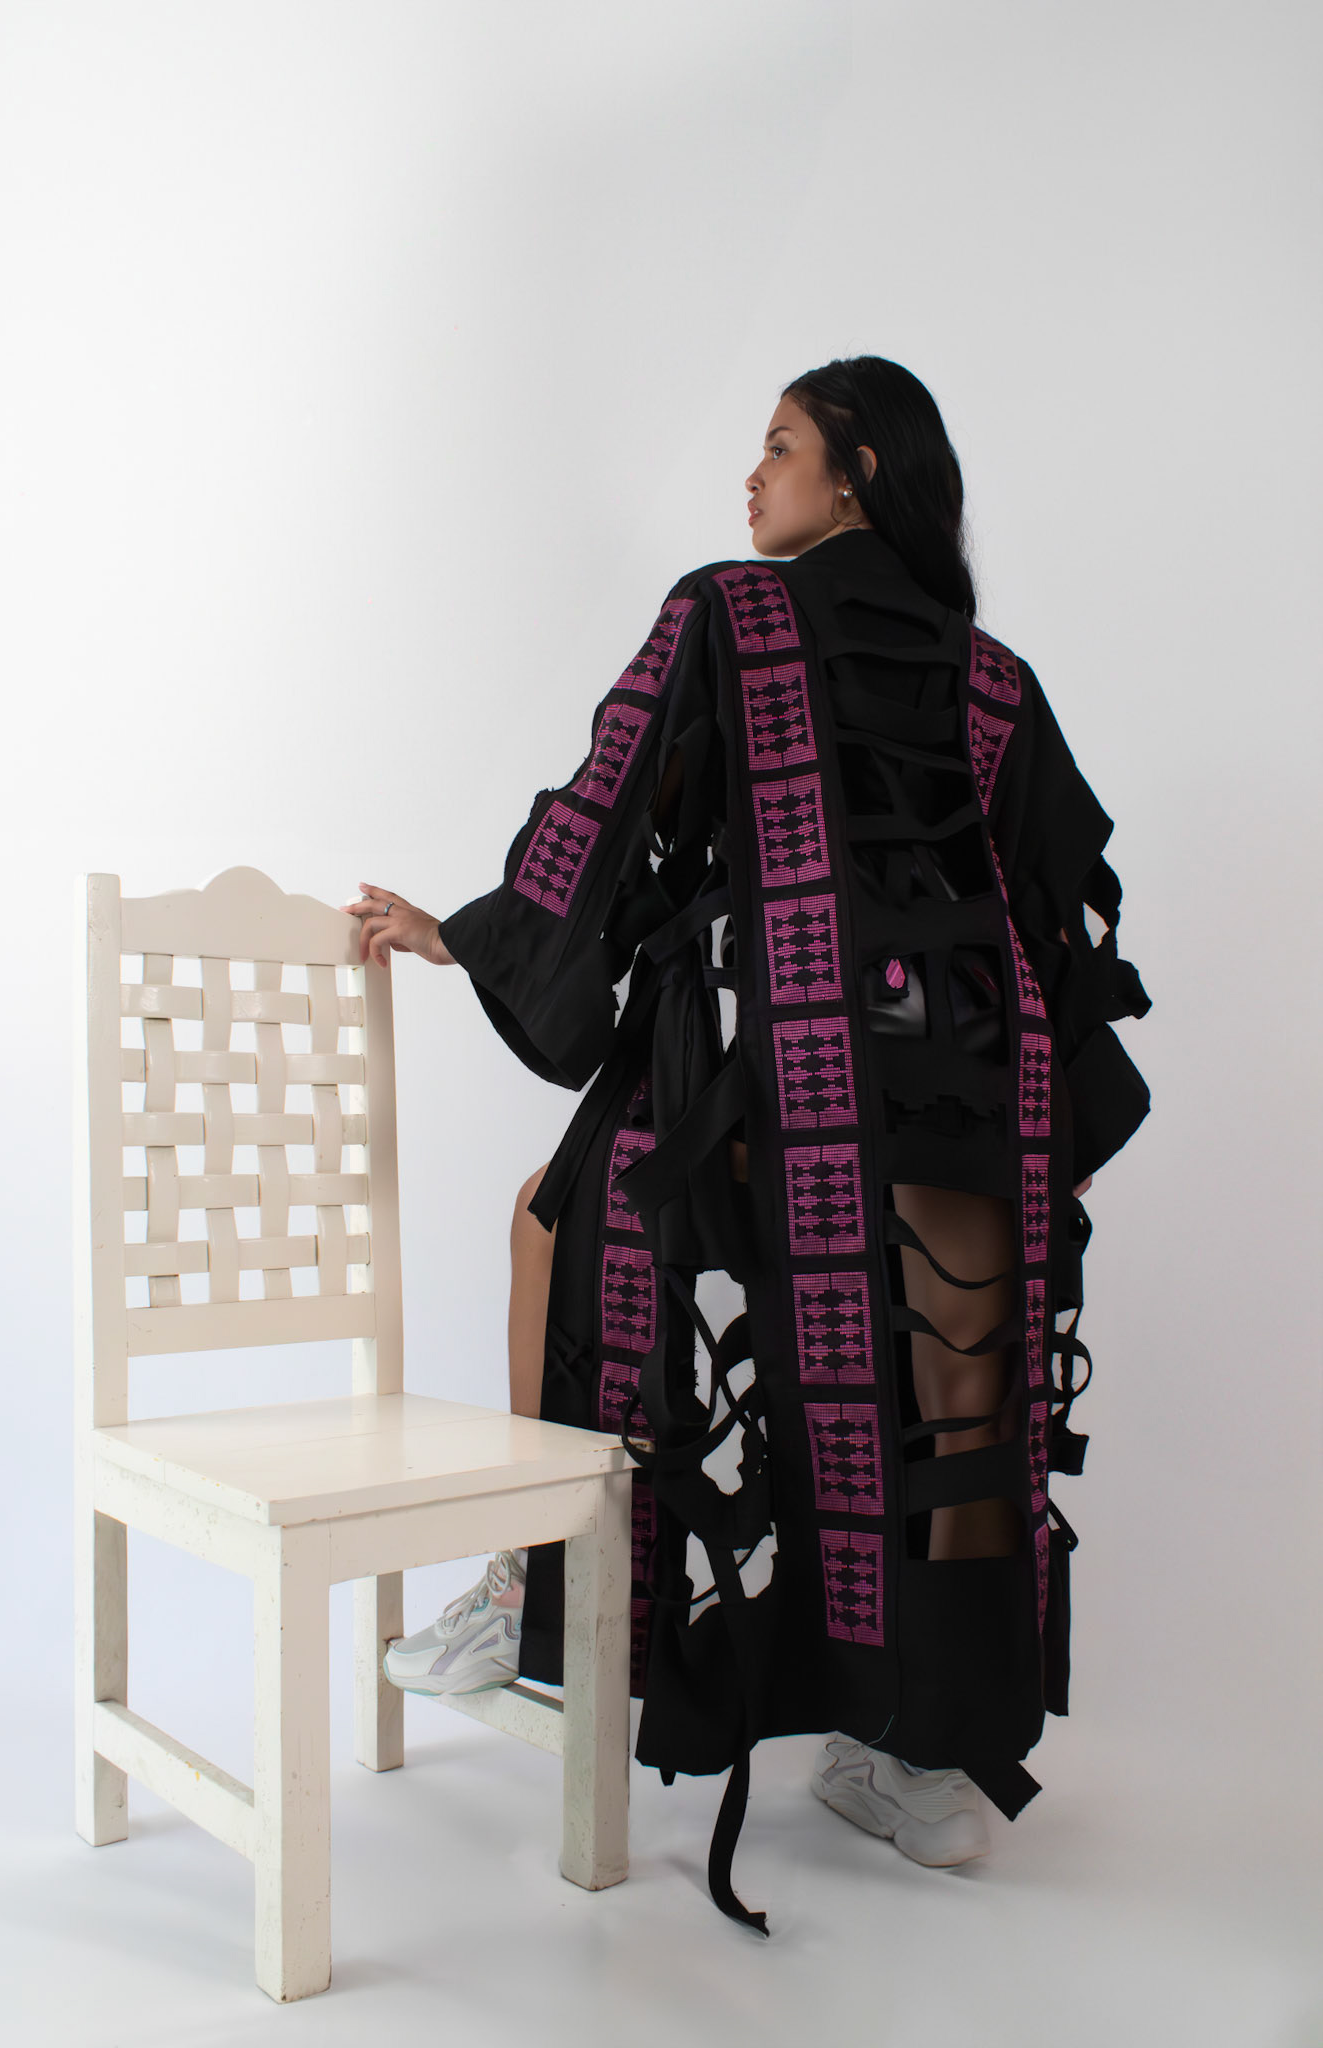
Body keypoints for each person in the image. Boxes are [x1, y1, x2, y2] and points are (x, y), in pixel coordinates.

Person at [342, 355, 1152, 1931]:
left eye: (778, 445)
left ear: (855, 471)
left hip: (792, 1067)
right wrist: (1032, 1123)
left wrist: (476, 934)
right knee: (944, 1396)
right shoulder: (991, 680)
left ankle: (530, 1575)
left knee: (554, 1221)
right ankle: (926, 1760)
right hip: (969, 1096)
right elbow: (1050, 914)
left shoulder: (730, 611)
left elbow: (612, 816)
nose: (752, 476)